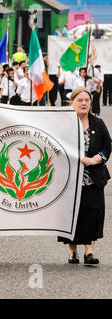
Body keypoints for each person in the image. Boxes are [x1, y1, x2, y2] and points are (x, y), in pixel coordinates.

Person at [58, 87, 111, 265]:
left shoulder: (98, 123)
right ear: (71, 103)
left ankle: (89, 252)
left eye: (87, 100)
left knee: (94, 213)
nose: (83, 103)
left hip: (94, 178)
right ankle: (73, 252)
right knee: (72, 215)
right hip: (70, 179)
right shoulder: (64, 124)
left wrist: (96, 159)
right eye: (79, 100)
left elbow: (107, 147)